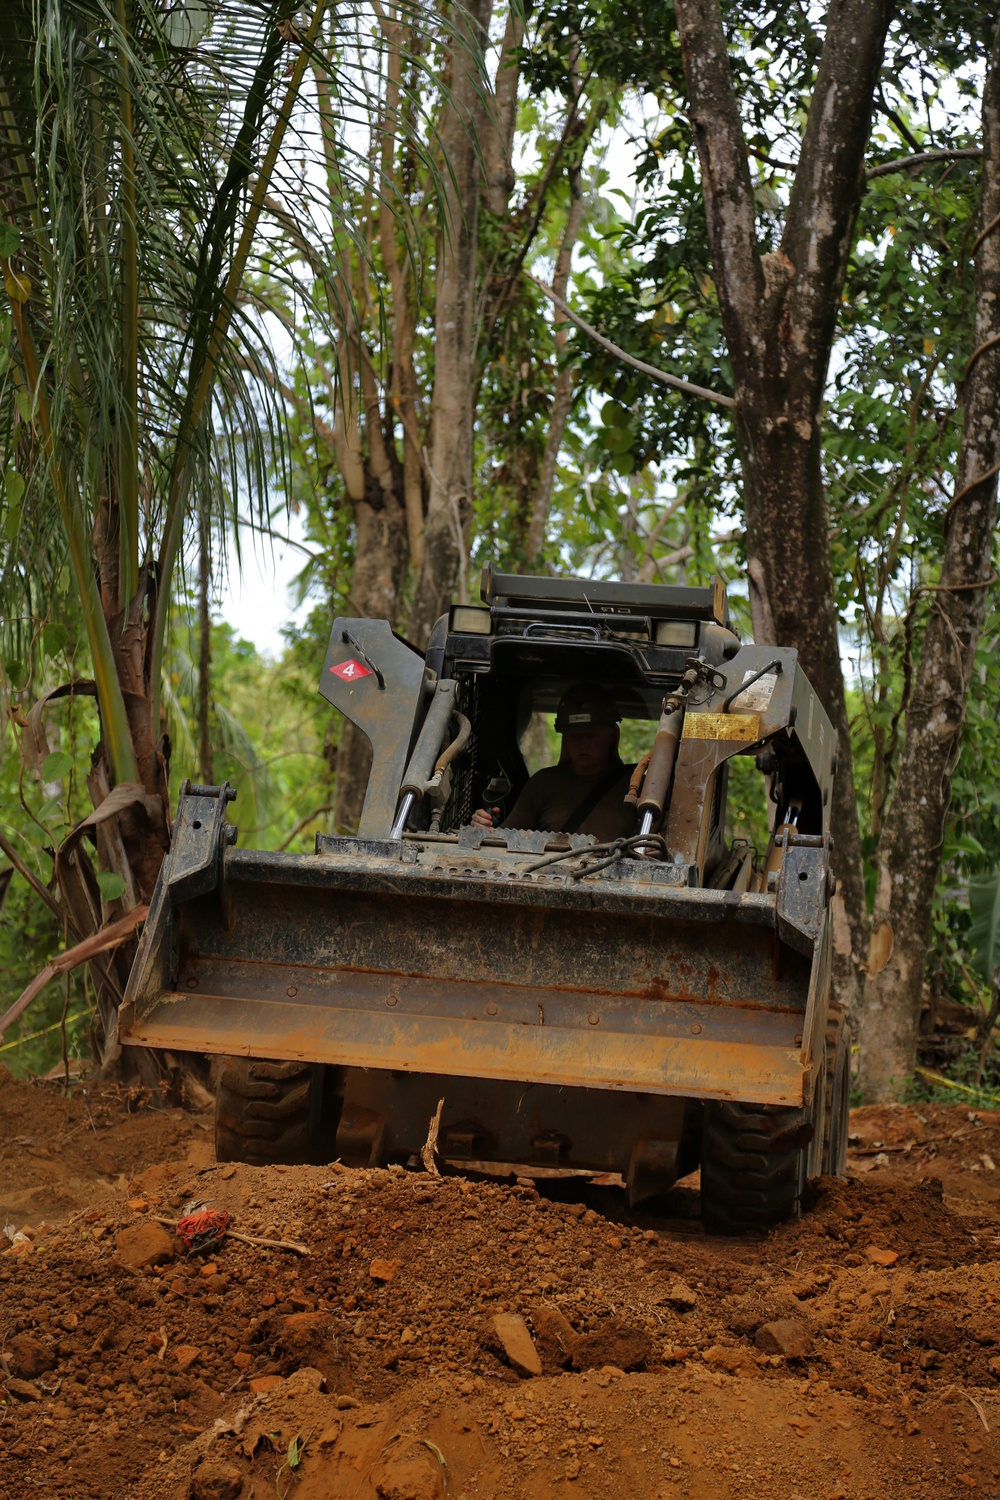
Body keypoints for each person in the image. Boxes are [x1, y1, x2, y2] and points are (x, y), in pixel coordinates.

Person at [471, 682, 637, 842]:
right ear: (565, 737)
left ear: (611, 734)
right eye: (574, 736)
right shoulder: (543, 783)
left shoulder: (634, 785)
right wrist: (483, 826)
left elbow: (654, 840)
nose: (583, 743)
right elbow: (501, 839)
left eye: (591, 735)